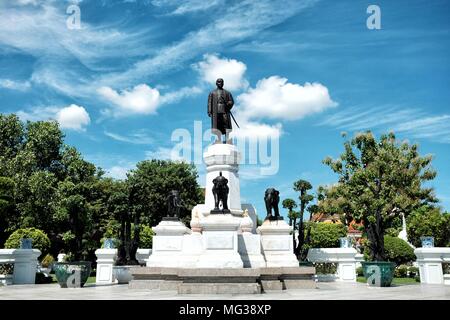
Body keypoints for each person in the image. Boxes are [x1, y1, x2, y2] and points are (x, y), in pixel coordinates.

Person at [207, 78, 234, 143]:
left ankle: (227, 139)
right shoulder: (212, 93)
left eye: (221, 82)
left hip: (225, 110)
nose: (220, 83)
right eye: (218, 82)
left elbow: (231, 101)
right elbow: (209, 103)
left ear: (223, 83)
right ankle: (218, 139)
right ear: (216, 83)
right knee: (218, 125)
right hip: (216, 111)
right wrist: (209, 111)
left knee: (226, 124)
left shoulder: (227, 93)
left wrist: (229, 104)